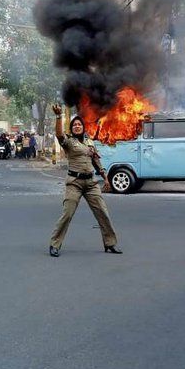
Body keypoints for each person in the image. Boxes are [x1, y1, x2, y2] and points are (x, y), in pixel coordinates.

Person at [48, 104, 120, 257]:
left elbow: (97, 163)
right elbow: (59, 134)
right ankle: (55, 244)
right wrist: (59, 117)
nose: (77, 126)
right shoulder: (68, 142)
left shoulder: (90, 142)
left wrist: (106, 179)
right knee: (67, 214)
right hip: (74, 183)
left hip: (91, 184)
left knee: (103, 212)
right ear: (72, 128)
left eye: (80, 124)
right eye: (75, 125)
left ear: (83, 127)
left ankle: (110, 243)